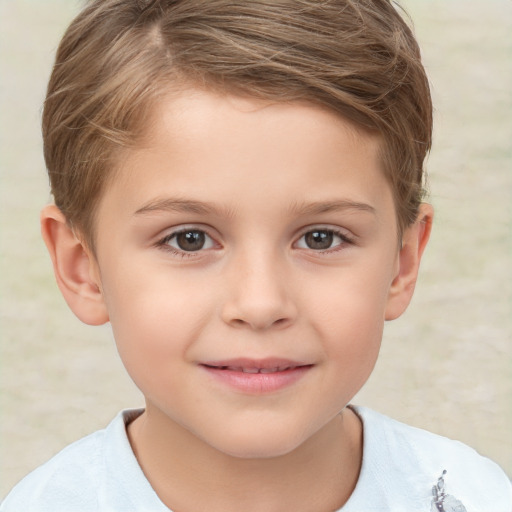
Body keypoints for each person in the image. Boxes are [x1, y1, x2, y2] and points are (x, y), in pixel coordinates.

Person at [1, 0, 510, 510]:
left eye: (321, 238)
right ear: (82, 267)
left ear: (402, 262)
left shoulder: (477, 497)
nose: (261, 303)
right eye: (189, 239)